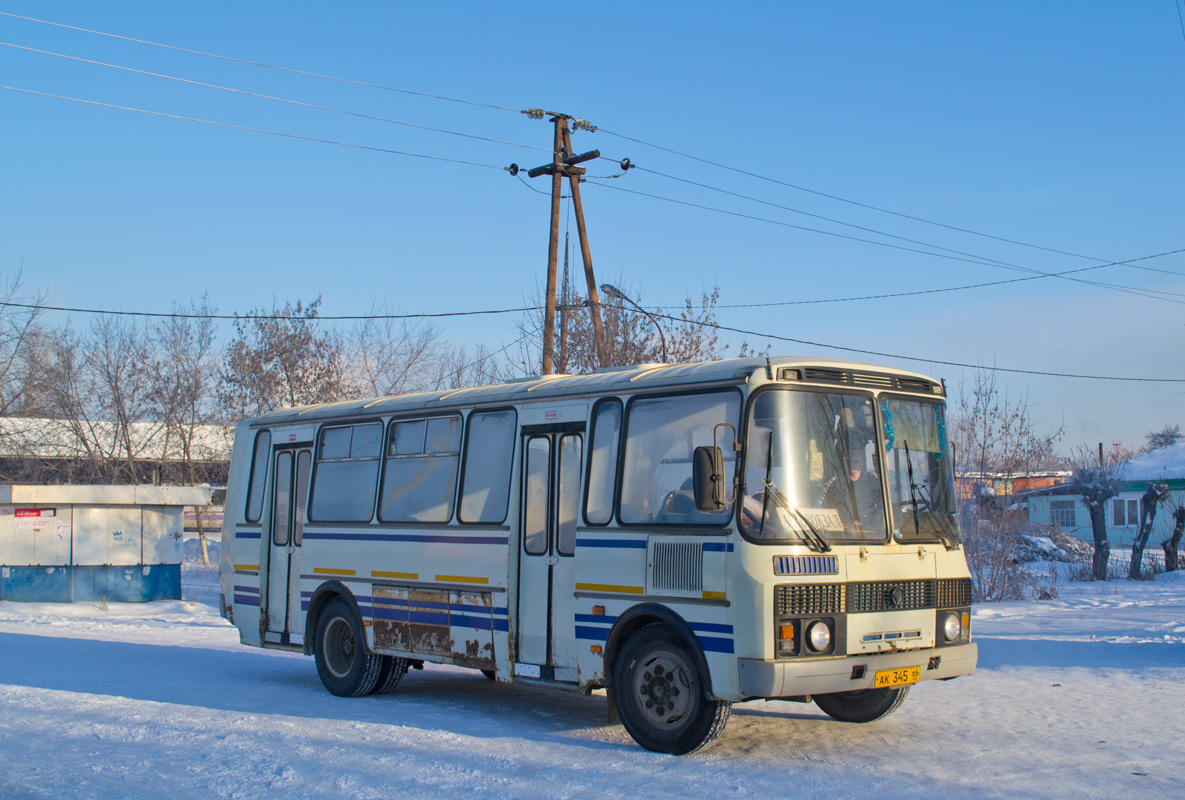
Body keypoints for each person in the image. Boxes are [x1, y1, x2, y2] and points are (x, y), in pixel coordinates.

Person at [822, 442, 885, 534]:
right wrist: (848, 521)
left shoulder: (873, 483)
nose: (851, 463)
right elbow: (826, 511)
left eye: (856, 459)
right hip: (843, 536)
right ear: (843, 461)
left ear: (863, 461)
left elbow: (883, 510)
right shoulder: (835, 484)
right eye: (848, 459)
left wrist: (869, 518)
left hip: (871, 535)